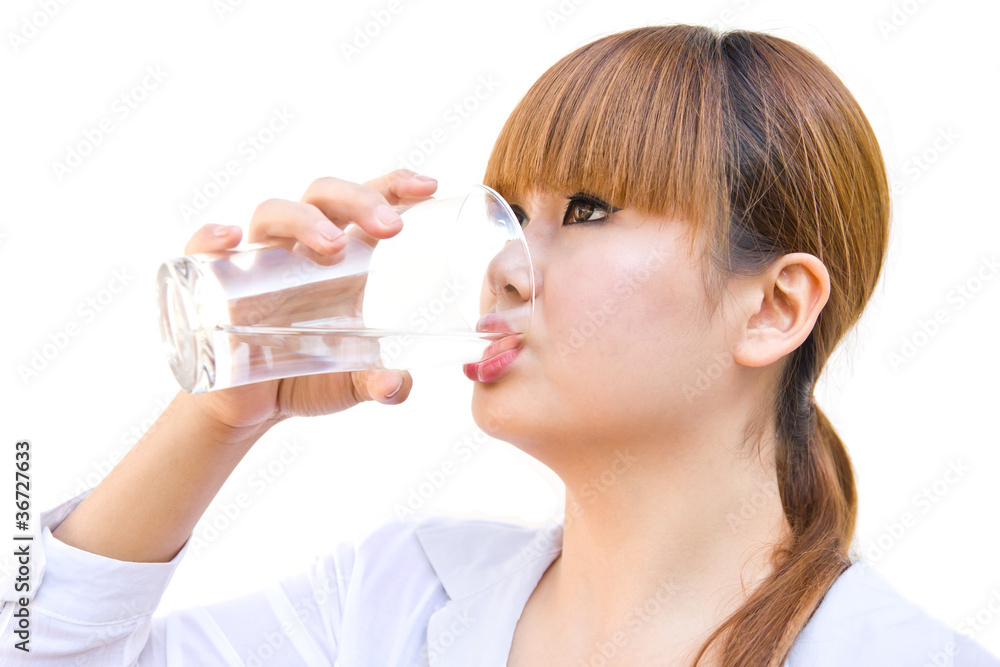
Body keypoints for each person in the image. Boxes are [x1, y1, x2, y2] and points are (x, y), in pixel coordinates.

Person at [2, 23, 997, 667]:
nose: (506, 267)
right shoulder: (394, 601)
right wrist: (219, 413)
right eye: (510, 214)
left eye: (587, 210)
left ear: (774, 307)